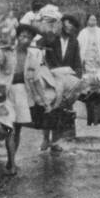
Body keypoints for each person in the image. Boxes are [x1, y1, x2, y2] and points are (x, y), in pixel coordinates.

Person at [0, 23, 40, 175]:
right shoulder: (7, 52)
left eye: (28, 37)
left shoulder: (32, 56)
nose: (24, 39)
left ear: (31, 40)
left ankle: (11, 160)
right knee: (10, 128)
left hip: (22, 92)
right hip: (7, 92)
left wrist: (40, 98)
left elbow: (34, 78)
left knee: (18, 129)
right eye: (22, 36)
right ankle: (13, 165)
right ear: (17, 37)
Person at [39, 13, 83, 150]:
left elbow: (77, 63)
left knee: (65, 108)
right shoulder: (52, 38)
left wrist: (76, 78)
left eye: (73, 25)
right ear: (62, 23)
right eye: (68, 22)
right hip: (51, 76)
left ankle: (61, 140)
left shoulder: (74, 42)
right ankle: (46, 138)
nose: (70, 26)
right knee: (50, 106)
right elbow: (38, 44)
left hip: (67, 78)